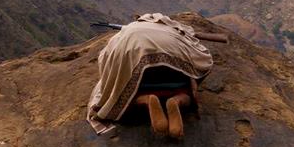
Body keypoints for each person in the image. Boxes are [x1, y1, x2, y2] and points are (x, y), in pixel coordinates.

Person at [86, 13, 215, 139]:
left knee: (123, 92)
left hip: (141, 84)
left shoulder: (125, 34)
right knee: (186, 92)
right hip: (175, 81)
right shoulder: (174, 31)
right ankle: (177, 100)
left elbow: (106, 59)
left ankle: (146, 99)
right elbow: (200, 58)